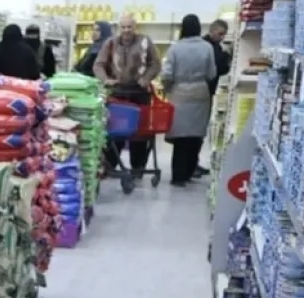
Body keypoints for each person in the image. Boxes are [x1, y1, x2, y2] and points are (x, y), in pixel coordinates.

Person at [93, 14, 161, 180]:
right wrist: (105, 80)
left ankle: (137, 168)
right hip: (118, 94)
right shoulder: (110, 43)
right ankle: (111, 166)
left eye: (129, 27)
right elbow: (98, 65)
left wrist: (146, 79)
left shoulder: (145, 41)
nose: (126, 30)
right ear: (119, 28)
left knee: (140, 134)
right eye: (123, 27)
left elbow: (155, 64)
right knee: (116, 132)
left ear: (135, 27)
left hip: (140, 94)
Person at [160, 14, 218, 187]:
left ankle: (178, 177)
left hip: (180, 93)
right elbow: (212, 73)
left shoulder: (175, 48)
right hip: (200, 92)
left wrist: (168, 88)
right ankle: (190, 172)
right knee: (195, 136)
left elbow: (167, 75)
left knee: (180, 138)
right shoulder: (207, 47)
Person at [196, 19, 232, 178]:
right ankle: (191, 165)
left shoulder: (215, 46)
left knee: (200, 130)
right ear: (212, 31)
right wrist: (227, 56)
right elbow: (217, 68)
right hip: (202, 92)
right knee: (196, 130)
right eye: (220, 33)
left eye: (224, 34)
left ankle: (193, 163)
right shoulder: (206, 47)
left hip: (207, 92)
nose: (222, 37)